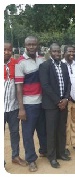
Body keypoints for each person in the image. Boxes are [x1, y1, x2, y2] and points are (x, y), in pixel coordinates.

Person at [15, 36, 47, 172]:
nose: (32, 47)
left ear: (38, 45)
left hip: (42, 102)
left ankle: (44, 151)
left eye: (34, 44)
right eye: (29, 44)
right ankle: (31, 159)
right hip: (28, 104)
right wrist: (21, 108)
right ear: (25, 45)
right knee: (28, 133)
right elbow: (18, 87)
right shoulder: (20, 63)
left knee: (43, 130)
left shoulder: (42, 59)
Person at [39, 43, 71, 168]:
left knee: (61, 130)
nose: (57, 54)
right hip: (51, 105)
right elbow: (45, 86)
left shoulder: (64, 65)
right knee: (51, 131)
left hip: (64, 103)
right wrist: (58, 101)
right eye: (54, 51)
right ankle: (52, 157)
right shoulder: (45, 66)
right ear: (50, 52)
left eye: (58, 51)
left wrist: (66, 99)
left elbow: (68, 84)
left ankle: (61, 153)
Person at [4, 41, 27, 167]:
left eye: (9, 50)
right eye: (4, 49)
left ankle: (15, 156)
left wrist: (20, 107)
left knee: (14, 132)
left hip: (13, 107)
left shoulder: (16, 63)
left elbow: (19, 85)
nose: (6, 52)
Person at [61, 45, 75, 155]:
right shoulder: (60, 65)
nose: (72, 53)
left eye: (73, 52)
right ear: (64, 52)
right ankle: (65, 145)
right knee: (66, 123)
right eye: (69, 51)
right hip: (65, 100)